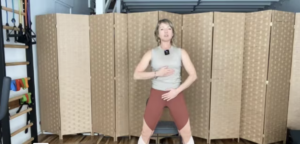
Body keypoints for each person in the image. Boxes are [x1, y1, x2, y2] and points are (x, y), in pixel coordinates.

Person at [133, 19, 197, 144]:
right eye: (162, 29)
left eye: (169, 29)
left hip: (175, 93)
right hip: (157, 94)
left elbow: (193, 75)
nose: (166, 32)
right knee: (146, 133)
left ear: (173, 33)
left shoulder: (181, 52)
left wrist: (176, 91)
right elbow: (136, 75)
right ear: (157, 33)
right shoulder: (151, 53)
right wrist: (157, 73)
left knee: (186, 133)